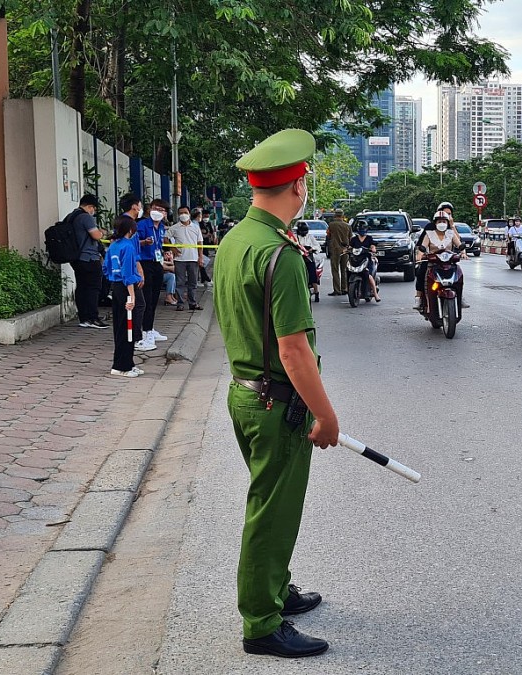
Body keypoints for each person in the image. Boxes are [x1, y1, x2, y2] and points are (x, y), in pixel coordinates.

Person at [213, 128, 338, 659]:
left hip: (244, 394)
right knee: (273, 510)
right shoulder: (281, 254)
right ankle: (262, 623)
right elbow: (293, 352)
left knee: (273, 502)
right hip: (277, 403)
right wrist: (325, 416)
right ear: (299, 185)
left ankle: (275, 590)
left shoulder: (237, 239)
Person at [104, 215, 144, 378]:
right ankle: (122, 366)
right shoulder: (128, 247)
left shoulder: (113, 246)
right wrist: (132, 297)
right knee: (128, 328)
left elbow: (106, 268)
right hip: (127, 288)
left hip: (116, 287)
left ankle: (127, 362)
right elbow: (128, 273)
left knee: (121, 326)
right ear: (130, 230)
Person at [68, 194, 108, 329]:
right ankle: (93, 318)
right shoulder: (86, 217)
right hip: (89, 258)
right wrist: (103, 232)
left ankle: (84, 318)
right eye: (94, 209)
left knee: (82, 287)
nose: (94, 212)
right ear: (90, 207)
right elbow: (96, 235)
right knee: (93, 288)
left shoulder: (71, 216)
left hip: (76, 258)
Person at [118, 193, 151, 351]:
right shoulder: (128, 224)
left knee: (135, 304)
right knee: (137, 304)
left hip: (126, 270)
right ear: (134, 206)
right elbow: (131, 252)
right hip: (129, 271)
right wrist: (139, 271)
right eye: (140, 205)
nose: (141, 208)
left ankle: (132, 337)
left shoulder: (123, 222)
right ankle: (136, 339)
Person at [135, 198, 169, 350]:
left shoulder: (161, 227)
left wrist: (164, 255)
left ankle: (150, 328)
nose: (158, 212)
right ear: (150, 209)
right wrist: (144, 242)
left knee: (155, 298)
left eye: (162, 210)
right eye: (156, 208)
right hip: (145, 263)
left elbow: (159, 245)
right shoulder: (142, 225)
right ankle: (144, 331)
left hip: (157, 263)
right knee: (146, 298)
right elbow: (134, 242)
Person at [415, 209, 462, 310]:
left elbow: (459, 244)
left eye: (444, 221)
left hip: (449, 263)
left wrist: (463, 252)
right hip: (433, 263)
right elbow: (422, 247)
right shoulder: (429, 234)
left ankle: (460, 297)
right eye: (439, 221)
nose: (442, 223)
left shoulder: (451, 233)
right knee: (422, 274)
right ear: (435, 223)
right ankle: (419, 299)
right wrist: (419, 255)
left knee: (459, 275)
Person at [167, 206, 205, 311]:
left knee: (193, 282)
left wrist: (200, 256)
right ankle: (180, 303)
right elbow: (166, 238)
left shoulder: (196, 227)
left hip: (193, 258)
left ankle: (192, 302)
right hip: (179, 259)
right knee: (180, 282)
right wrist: (172, 248)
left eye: (185, 212)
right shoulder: (174, 227)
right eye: (181, 213)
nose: (183, 215)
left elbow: (200, 243)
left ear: (189, 213)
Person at [350, 223, 381, 302]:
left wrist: (373, 249)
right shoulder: (354, 239)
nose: (362, 230)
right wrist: (346, 250)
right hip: (356, 260)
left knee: (368, 275)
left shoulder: (369, 238)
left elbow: (373, 246)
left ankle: (375, 294)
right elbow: (350, 247)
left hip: (366, 259)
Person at [293, 221, 322, 302]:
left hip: (309, 258)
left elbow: (317, 246)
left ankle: (316, 293)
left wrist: (312, 249)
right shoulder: (295, 237)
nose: (304, 233)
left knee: (313, 277)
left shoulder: (310, 237)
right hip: (299, 258)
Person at [325, 208, 350, 296]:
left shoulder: (331, 225)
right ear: (342, 216)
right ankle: (345, 288)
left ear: (335, 215)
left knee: (335, 270)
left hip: (335, 249)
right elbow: (351, 237)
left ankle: (337, 290)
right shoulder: (347, 226)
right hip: (345, 249)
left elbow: (328, 235)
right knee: (344, 269)